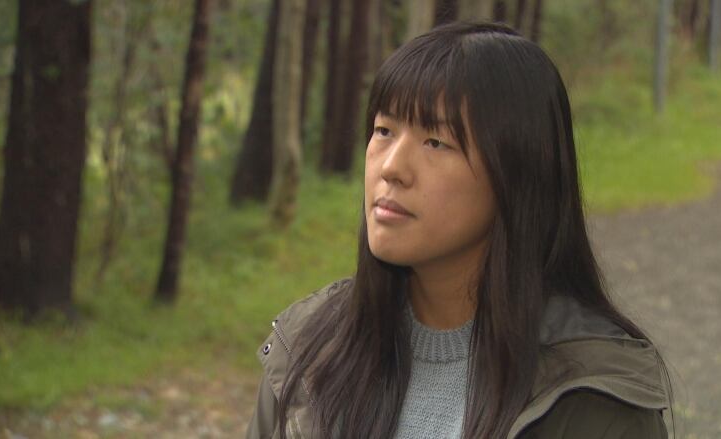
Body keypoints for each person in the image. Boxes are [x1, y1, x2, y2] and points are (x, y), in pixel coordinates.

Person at [246, 22, 671, 439]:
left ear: (518, 172)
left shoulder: (593, 396)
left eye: (436, 142)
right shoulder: (307, 354)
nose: (391, 167)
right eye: (384, 131)